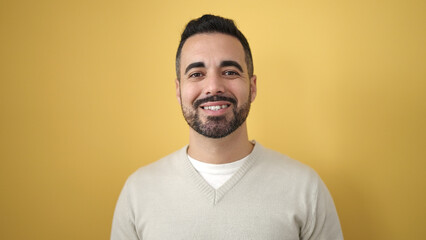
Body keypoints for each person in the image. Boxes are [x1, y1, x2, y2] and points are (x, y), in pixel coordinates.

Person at [111, 14, 343, 240]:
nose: (213, 86)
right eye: (196, 74)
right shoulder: (138, 191)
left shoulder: (305, 188)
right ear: (178, 90)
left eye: (230, 72)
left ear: (252, 87)